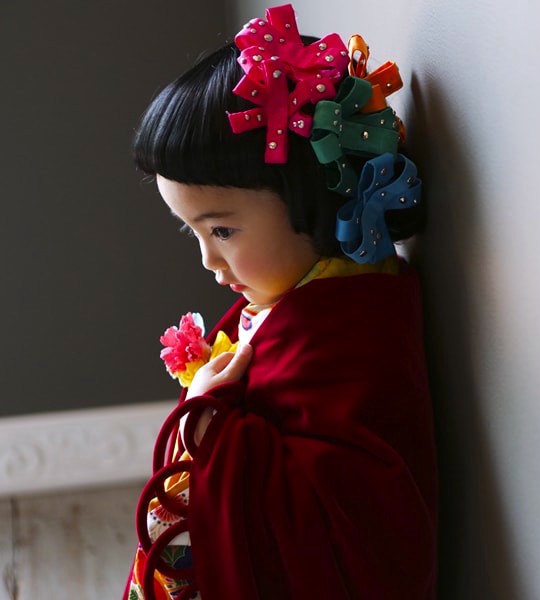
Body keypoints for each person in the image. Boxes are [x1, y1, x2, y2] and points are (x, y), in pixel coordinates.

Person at [121, 5, 437, 599]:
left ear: (309, 197)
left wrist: (212, 427)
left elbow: (356, 538)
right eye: (193, 233)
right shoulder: (299, 303)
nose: (209, 262)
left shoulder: (346, 332)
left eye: (221, 231)